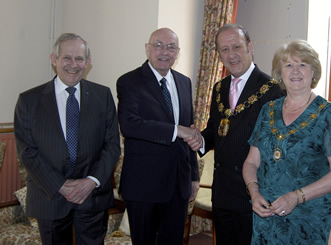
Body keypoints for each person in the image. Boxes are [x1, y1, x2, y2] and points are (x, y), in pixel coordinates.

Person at [14, 33, 121, 245]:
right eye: (67, 58)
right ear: (54, 59)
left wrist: (91, 182)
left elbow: (112, 146)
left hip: (92, 196)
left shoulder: (103, 96)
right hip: (50, 196)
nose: (74, 65)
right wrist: (60, 185)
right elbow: (27, 151)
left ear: (88, 62)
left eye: (79, 59)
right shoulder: (29, 100)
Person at [242, 40, 331, 244]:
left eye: (302, 64)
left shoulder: (328, 114)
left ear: (313, 71)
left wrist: (297, 196)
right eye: (288, 65)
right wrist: (254, 192)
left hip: (308, 218)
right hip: (266, 214)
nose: (295, 71)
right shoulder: (268, 110)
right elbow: (252, 162)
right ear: (280, 73)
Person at [194, 24, 284, 245]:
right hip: (222, 190)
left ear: (250, 47)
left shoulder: (271, 90)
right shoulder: (219, 88)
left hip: (252, 193)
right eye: (224, 49)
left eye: (236, 46)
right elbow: (215, 131)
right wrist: (196, 138)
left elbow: (276, 146)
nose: (231, 55)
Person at [116, 28, 200, 245]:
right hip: (143, 185)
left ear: (177, 52)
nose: (165, 51)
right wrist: (176, 130)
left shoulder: (184, 82)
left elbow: (189, 131)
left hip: (178, 185)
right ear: (148, 49)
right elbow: (130, 126)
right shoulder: (129, 81)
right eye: (159, 45)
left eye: (171, 47)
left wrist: (193, 176)